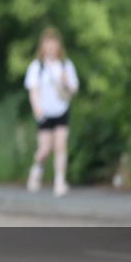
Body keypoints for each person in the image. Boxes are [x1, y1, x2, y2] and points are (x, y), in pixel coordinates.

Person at [24, 28, 79, 197]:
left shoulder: (65, 65)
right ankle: (37, 169)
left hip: (61, 110)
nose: (50, 49)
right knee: (45, 149)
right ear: (42, 47)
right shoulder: (36, 66)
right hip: (44, 112)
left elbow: (74, 89)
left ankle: (59, 181)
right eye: (47, 45)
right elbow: (33, 90)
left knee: (61, 145)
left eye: (53, 45)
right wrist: (37, 109)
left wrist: (66, 82)